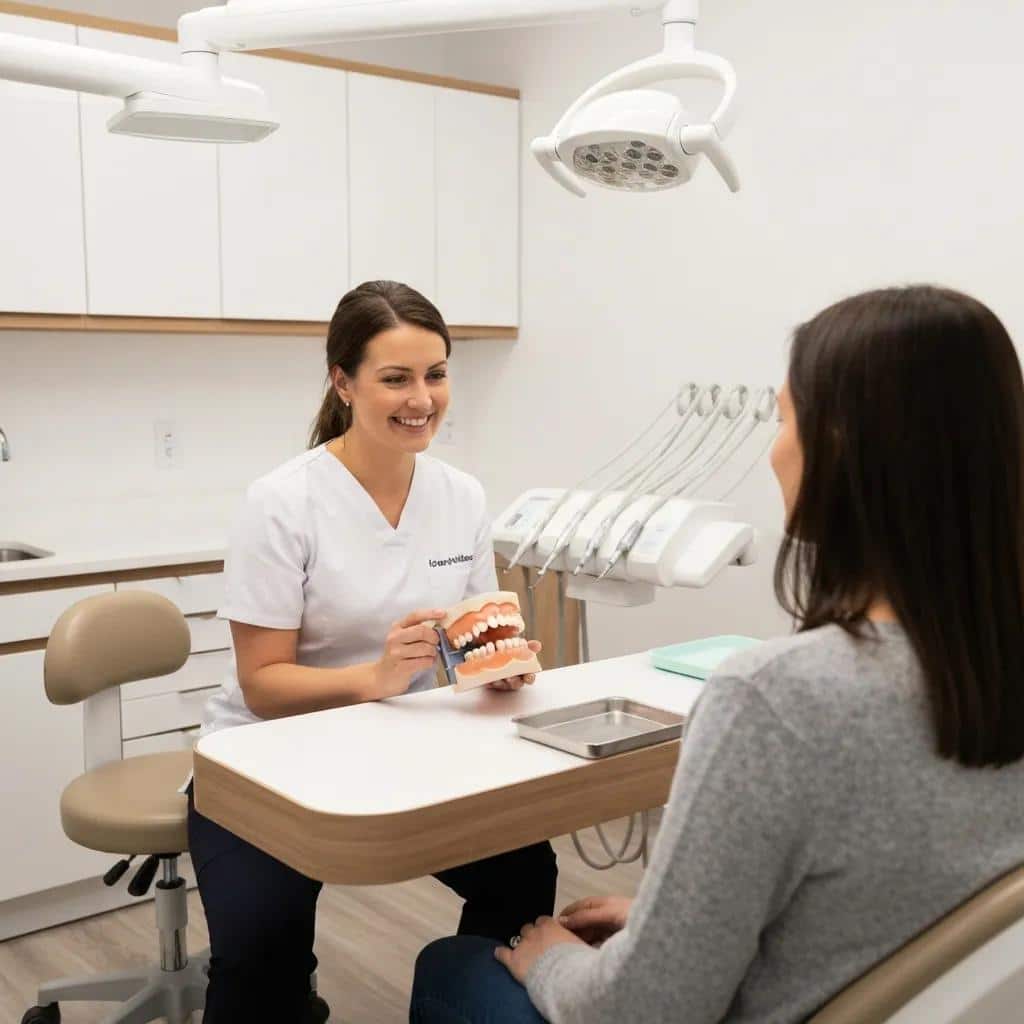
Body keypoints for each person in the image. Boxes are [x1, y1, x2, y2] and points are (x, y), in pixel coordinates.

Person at [410, 284, 1024, 1023]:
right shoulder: (987, 665)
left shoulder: (775, 699)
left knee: (452, 965)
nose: (774, 450)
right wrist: (663, 923)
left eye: (784, 420)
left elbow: (642, 1012)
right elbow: (901, 888)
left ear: (840, 449)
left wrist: (552, 960)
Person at [188, 280, 557, 1023]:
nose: (421, 398)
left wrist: (497, 665)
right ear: (343, 382)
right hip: (266, 761)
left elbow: (462, 642)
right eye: (396, 378)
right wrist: (376, 677)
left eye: (436, 374)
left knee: (523, 875)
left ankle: (466, 1003)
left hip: (404, 748)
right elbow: (261, 685)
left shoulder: (461, 495)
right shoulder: (282, 502)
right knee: (261, 953)